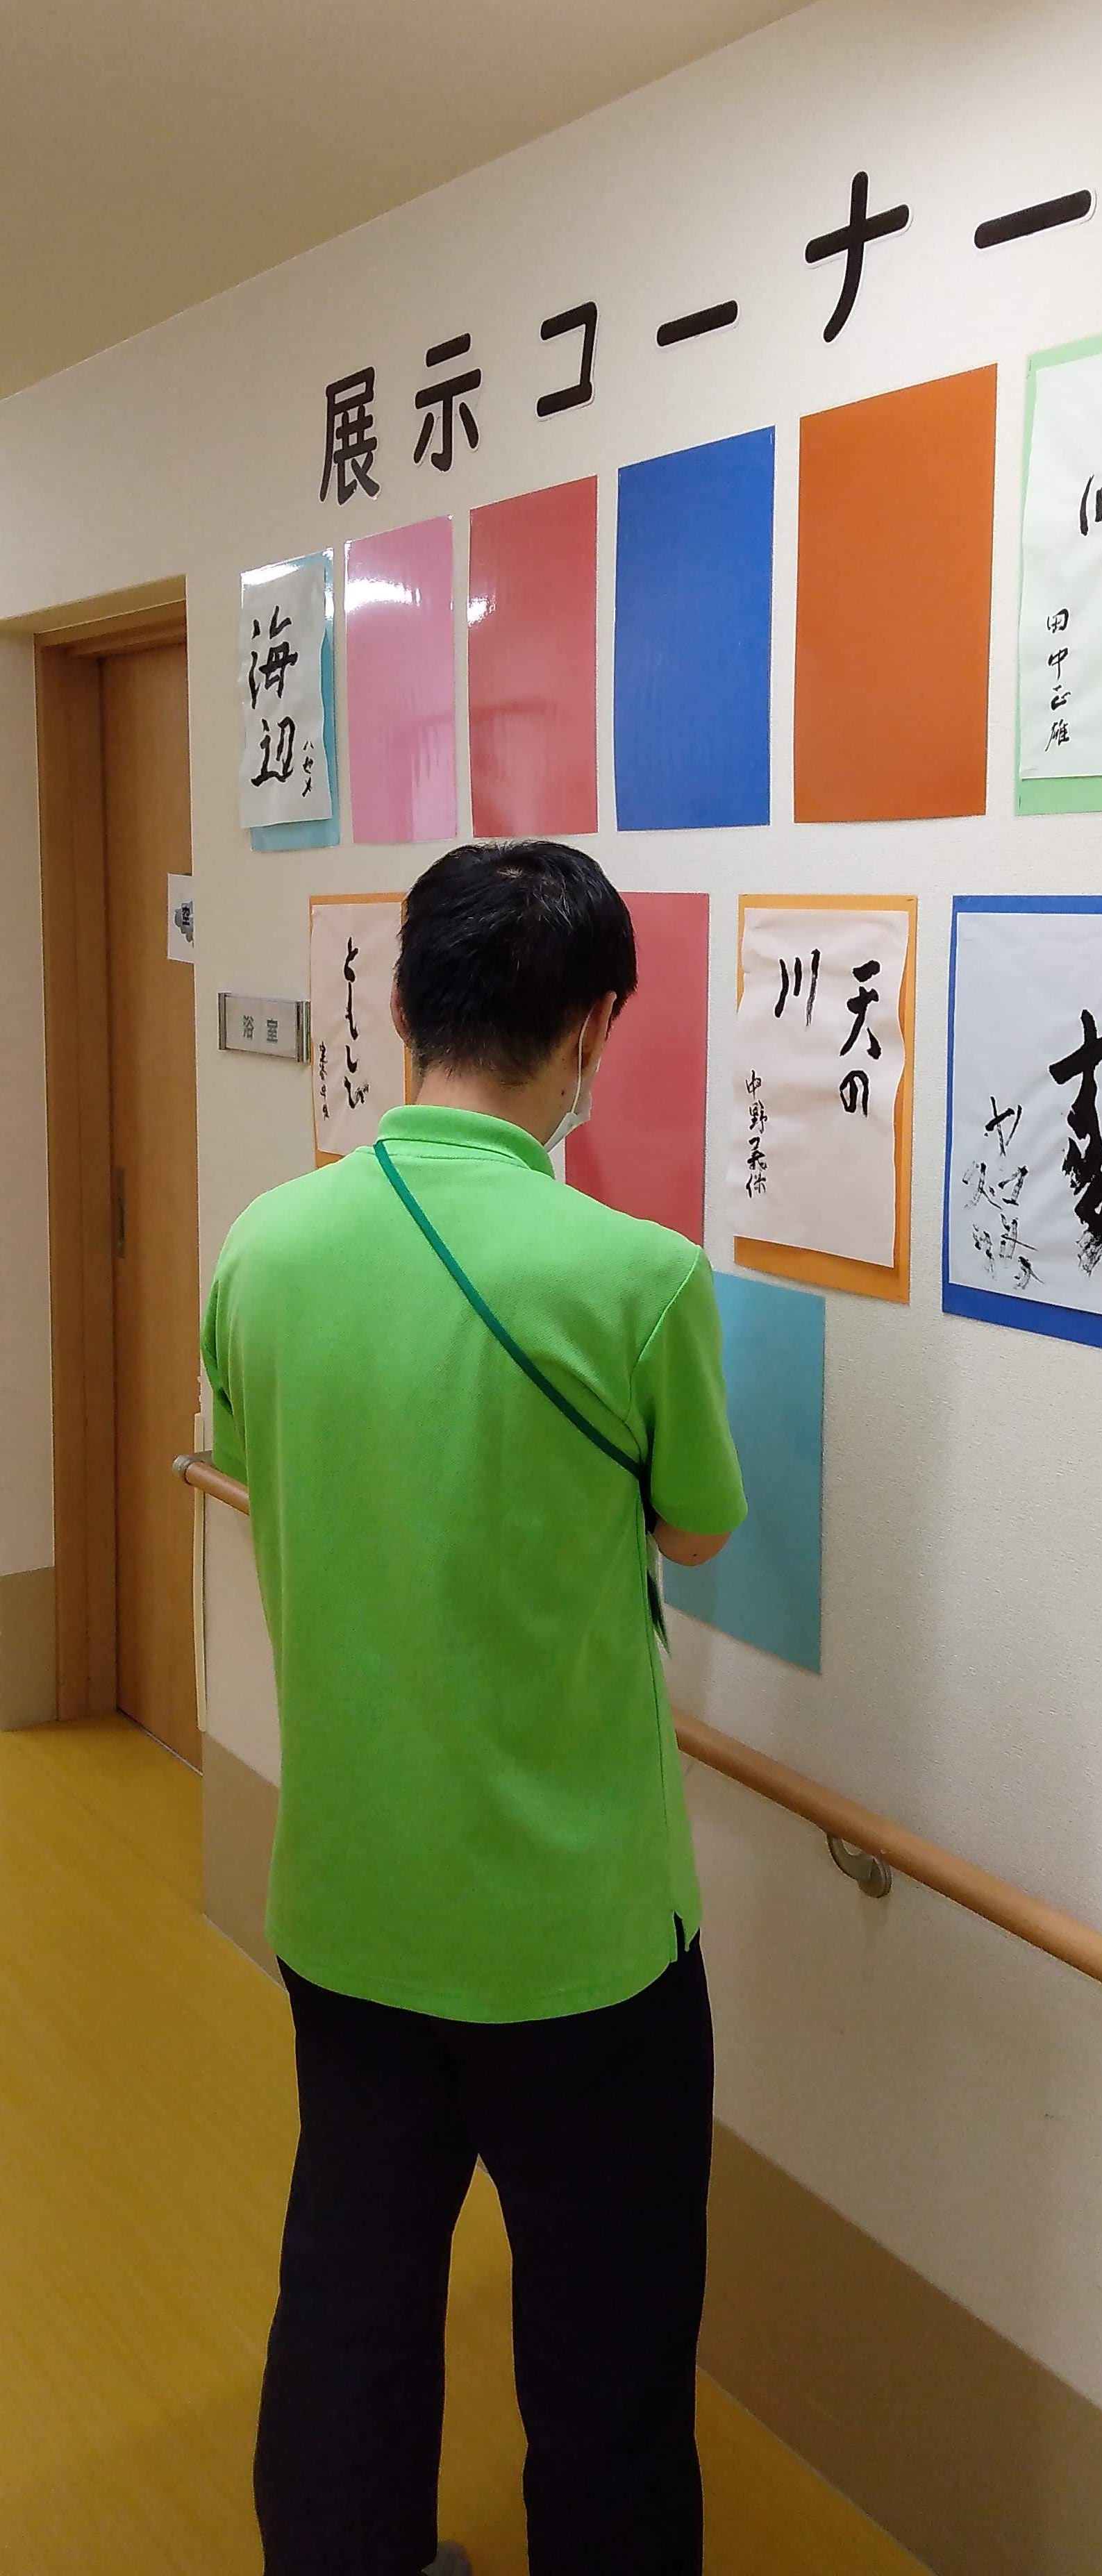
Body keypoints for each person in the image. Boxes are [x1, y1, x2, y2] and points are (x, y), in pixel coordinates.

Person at [201, 841, 746, 2576]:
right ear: (590, 1028)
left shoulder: (266, 1246)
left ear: (399, 1002)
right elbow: (695, 1528)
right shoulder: (637, 1278)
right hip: (580, 1938)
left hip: (349, 1899)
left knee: (351, 2295)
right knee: (605, 2348)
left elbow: (247, 1451)